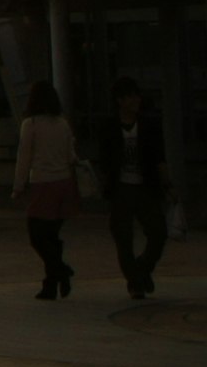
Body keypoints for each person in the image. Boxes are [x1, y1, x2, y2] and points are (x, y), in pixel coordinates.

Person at [91, 78, 170, 299]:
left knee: (158, 232)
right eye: (130, 96)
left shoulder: (149, 125)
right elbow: (104, 159)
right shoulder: (109, 126)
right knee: (123, 237)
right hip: (121, 188)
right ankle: (135, 281)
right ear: (120, 100)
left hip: (146, 187)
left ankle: (141, 270)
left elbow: (159, 158)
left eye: (137, 96)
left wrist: (168, 185)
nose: (136, 100)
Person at [12, 79, 81, 300]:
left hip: (43, 183)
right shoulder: (62, 124)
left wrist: (18, 186)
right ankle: (51, 283)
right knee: (51, 235)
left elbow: (24, 157)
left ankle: (60, 270)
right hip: (64, 183)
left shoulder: (30, 124)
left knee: (37, 236)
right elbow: (72, 156)